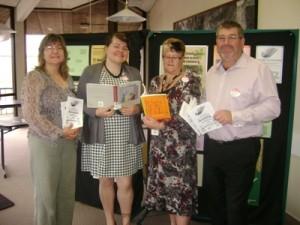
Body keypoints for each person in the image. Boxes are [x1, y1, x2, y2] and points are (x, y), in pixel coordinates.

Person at [204, 20, 281, 225]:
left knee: (235, 206)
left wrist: (235, 115)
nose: (226, 42)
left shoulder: (258, 69)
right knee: (214, 203)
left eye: (231, 37)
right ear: (216, 42)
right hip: (213, 148)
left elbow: (273, 108)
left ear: (242, 41)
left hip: (241, 148)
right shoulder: (212, 72)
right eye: (221, 38)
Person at [77, 32, 145, 225]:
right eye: (116, 46)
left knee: (126, 182)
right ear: (107, 48)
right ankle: (109, 220)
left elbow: (142, 103)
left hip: (126, 135)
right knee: (105, 180)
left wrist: (136, 108)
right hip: (101, 135)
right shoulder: (90, 72)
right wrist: (94, 111)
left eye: (124, 48)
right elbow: (78, 102)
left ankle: (125, 221)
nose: (120, 51)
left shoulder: (133, 73)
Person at [21, 34, 80, 225]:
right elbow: (31, 115)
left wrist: (75, 127)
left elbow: (73, 108)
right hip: (45, 144)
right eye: (49, 47)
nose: (55, 51)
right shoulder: (35, 77)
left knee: (65, 195)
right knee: (47, 197)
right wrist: (59, 131)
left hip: (68, 143)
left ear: (64, 53)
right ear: (42, 53)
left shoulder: (67, 78)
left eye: (59, 47)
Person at [142, 37, 201, 225]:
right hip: (160, 147)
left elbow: (189, 117)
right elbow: (151, 107)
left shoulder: (190, 81)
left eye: (175, 57)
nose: (170, 60)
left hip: (180, 148)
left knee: (181, 195)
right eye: (167, 56)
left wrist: (161, 125)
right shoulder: (155, 82)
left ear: (182, 58)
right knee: (169, 194)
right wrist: (147, 118)